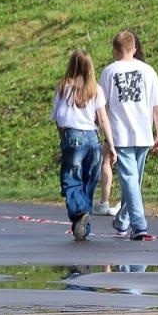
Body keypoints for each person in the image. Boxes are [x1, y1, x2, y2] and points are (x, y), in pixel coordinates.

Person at [99, 30, 158, 242]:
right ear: (134, 48)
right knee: (131, 181)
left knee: (132, 182)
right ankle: (137, 224)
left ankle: (126, 221)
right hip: (139, 134)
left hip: (123, 134)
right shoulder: (148, 71)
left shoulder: (109, 72)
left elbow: (102, 107)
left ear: (114, 50)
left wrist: (102, 133)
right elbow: (157, 108)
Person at [53, 49, 116, 242]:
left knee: (71, 181)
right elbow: (103, 119)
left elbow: (58, 117)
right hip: (93, 139)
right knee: (88, 182)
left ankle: (80, 214)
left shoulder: (63, 87)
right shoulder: (95, 89)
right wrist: (111, 145)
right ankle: (83, 226)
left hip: (73, 138)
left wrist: (63, 139)